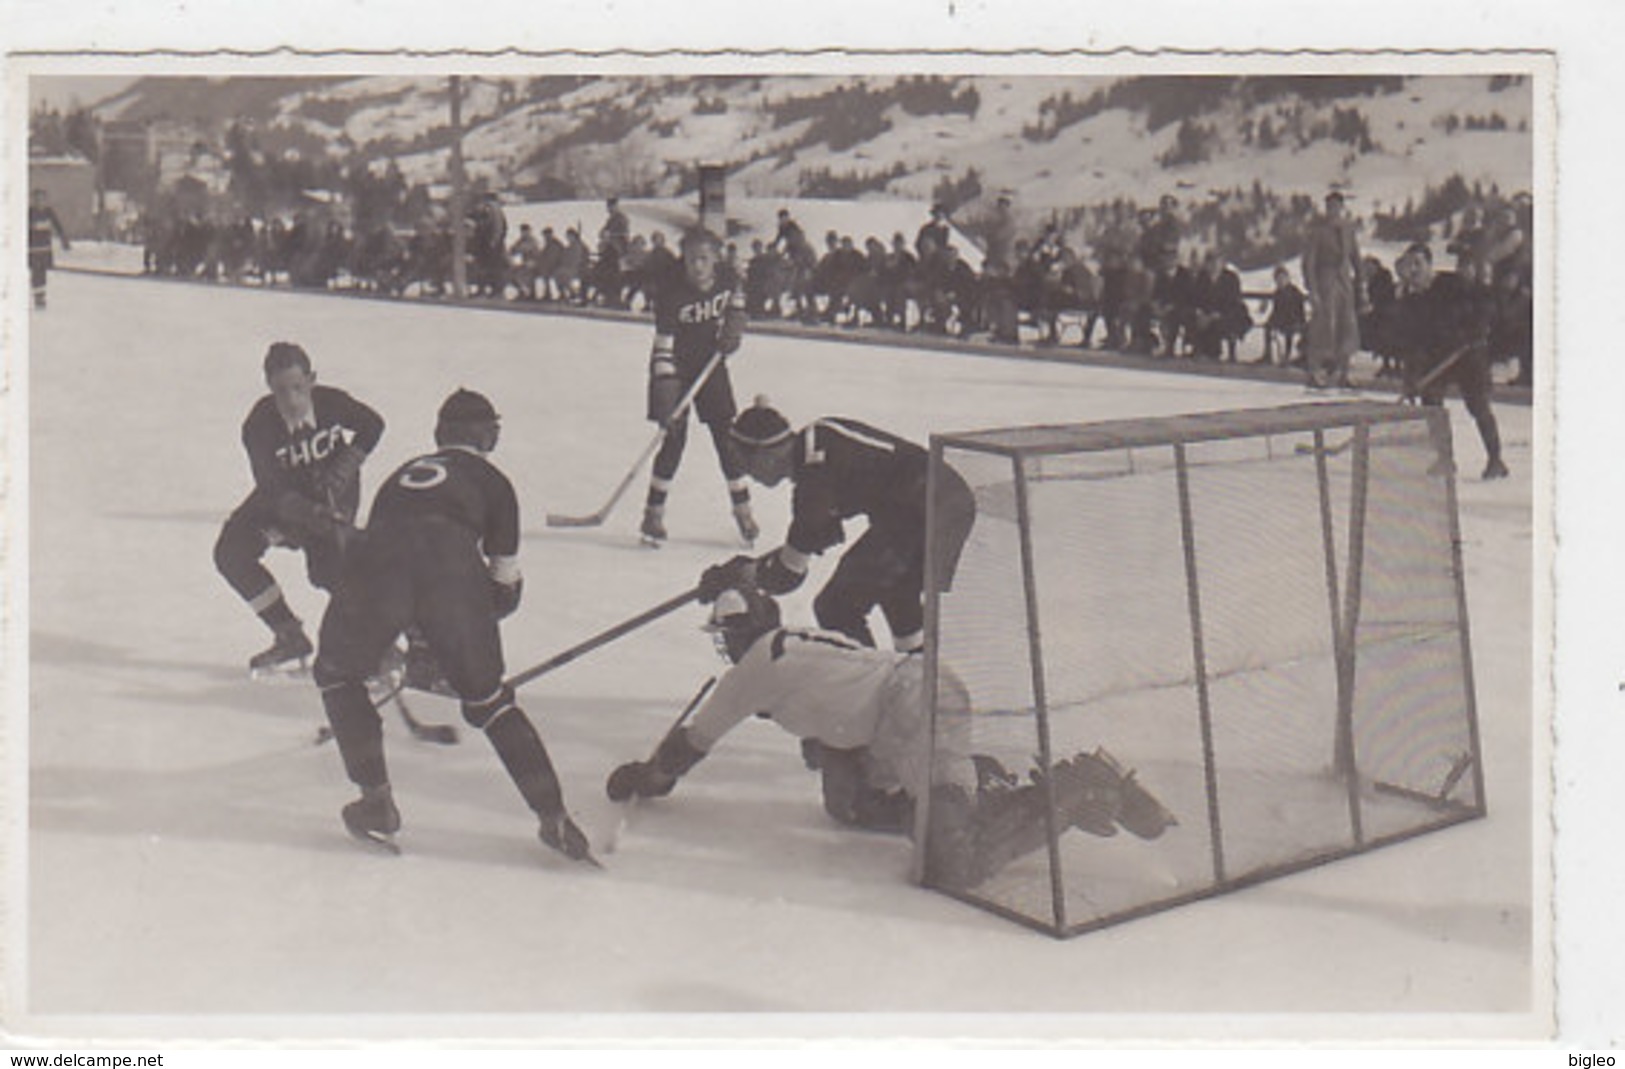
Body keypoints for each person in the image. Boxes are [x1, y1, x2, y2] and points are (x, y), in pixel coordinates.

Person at [605, 587, 1177, 889]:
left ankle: (1079, 789)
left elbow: (690, 746)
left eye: (725, 635)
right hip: (896, 708)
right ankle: (970, 784)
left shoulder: (754, 667)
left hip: (914, 704)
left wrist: (646, 776)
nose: (724, 647)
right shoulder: (792, 642)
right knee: (848, 804)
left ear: (741, 633)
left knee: (952, 863)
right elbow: (834, 702)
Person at [311, 388, 595, 861]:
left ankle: (375, 800)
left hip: (376, 559)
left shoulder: (400, 475)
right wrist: (472, 647)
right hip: (449, 564)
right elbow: (503, 585)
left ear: (439, 435)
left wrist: (404, 635)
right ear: (487, 436)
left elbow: (386, 565)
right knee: (489, 702)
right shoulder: (496, 482)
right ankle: (555, 818)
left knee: (338, 675)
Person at [696, 398, 976, 654]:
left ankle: (872, 685)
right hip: (943, 501)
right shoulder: (818, 447)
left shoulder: (813, 478)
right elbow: (804, 546)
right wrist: (748, 571)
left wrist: (740, 575)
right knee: (895, 592)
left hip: (926, 507)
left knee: (837, 605)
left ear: (764, 455)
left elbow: (788, 574)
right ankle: (917, 682)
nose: (745, 474)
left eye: (743, 462)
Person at [214, 342, 384, 673]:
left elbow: (373, 425)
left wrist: (348, 462)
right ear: (268, 387)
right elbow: (269, 486)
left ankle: (382, 646)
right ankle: (288, 634)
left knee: (331, 571)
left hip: (335, 498)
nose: (291, 400)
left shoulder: (332, 403)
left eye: (298, 388)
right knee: (231, 552)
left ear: (312, 380)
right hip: (287, 505)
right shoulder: (259, 424)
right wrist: (305, 513)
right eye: (281, 391)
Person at [639, 227, 758, 548]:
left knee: (726, 437)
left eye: (704, 258)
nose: (697, 266)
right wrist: (665, 394)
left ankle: (743, 511)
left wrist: (734, 328)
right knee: (674, 439)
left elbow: (737, 303)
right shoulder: (671, 292)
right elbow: (663, 345)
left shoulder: (728, 276)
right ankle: (653, 512)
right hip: (674, 367)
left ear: (716, 258)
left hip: (710, 364)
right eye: (691, 258)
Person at [1392, 243, 1509, 480]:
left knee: (1478, 405)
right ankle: (1445, 460)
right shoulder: (1409, 301)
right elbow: (1410, 342)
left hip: (1468, 353)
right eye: (1409, 265)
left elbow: (1485, 301)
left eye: (1418, 263)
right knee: (1432, 405)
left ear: (1429, 264)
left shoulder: (1451, 283)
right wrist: (1411, 377)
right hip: (1437, 358)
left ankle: (1495, 460)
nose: (1414, 270)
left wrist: (1478, 328)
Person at [1300, 190, 1366, 389]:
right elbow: (1309, 262)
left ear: (1342, 208)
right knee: (1322, 326)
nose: (1333, 211)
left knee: (1347, 326)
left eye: (1337, 207)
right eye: (1330, 207)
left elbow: (1356, 258)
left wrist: (1361, 284)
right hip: (1325, 281)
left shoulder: (1348, 230)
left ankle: (1343, 373)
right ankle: (1315, 372)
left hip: (1345, 283)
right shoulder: (1318, 232)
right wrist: (1312, 289)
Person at [28, 188, 71, 309]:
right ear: (33, 200)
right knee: (36, 272)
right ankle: (38, 296)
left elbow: (58, 226)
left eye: (42, 199)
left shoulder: (49, 212)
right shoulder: (29, 213)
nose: (40, 202)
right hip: (33, 248)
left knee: (42, 272)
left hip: (45, 248)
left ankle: (41, 294)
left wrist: (64, 240)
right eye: (37, 199)